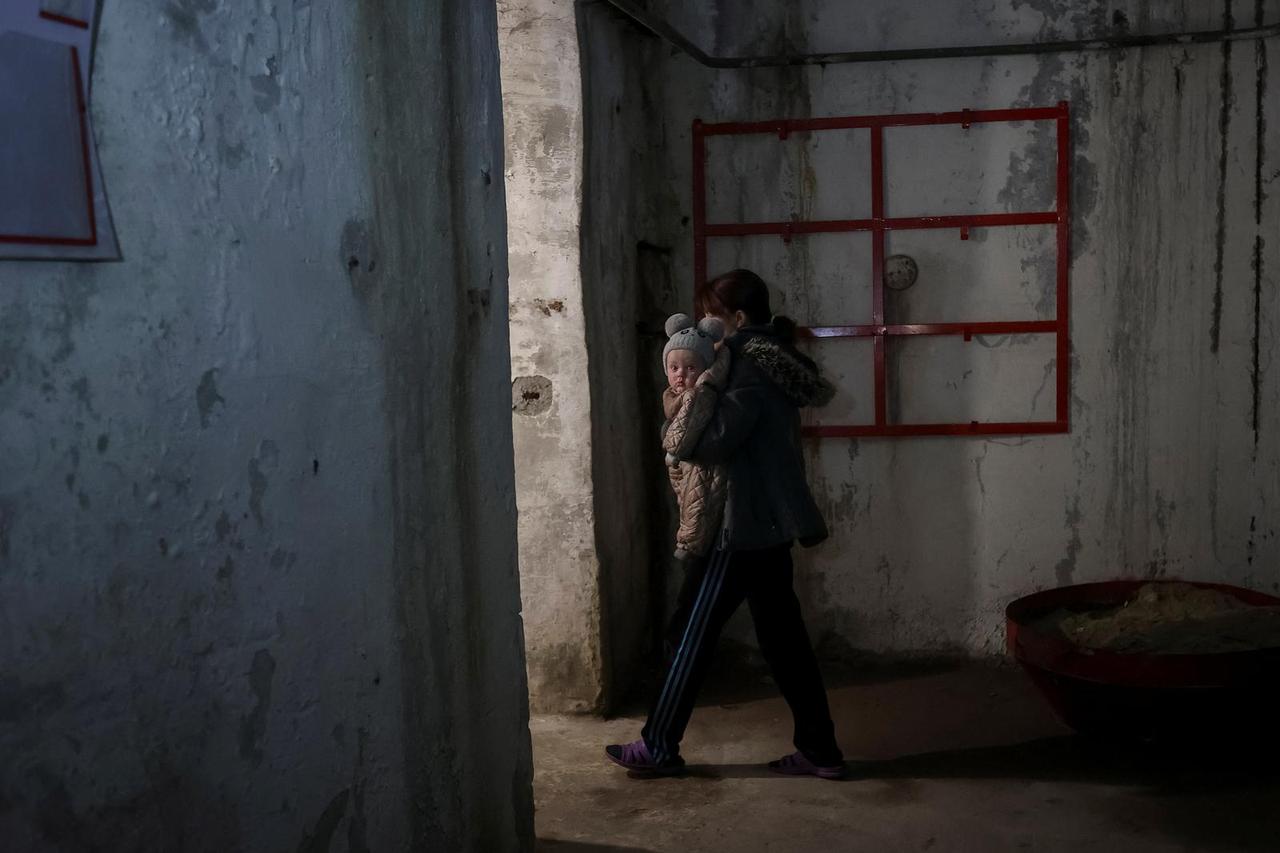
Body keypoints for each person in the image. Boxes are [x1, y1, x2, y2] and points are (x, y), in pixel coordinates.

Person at [607, 268, 845, 780]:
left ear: (737, 318)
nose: (703, 323)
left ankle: (658, 744)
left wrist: (693, 399)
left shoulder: (742, 366)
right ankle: (821, 751)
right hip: (768, 526)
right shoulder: (772, 360)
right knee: (785, 644)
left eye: (711, 313)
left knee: (687, 634)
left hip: (736, 527)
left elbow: (711, 442)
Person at [660, 312, 730, 562]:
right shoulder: (673, 395)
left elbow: (679, 438)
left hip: (700, 464)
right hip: (684, 465)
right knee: (688, 499)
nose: (680, 375)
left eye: (690, 368)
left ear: (704, 370)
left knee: (696, 503)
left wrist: (671, 449)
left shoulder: (698, 394)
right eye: (674, 368)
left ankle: (689, 544)